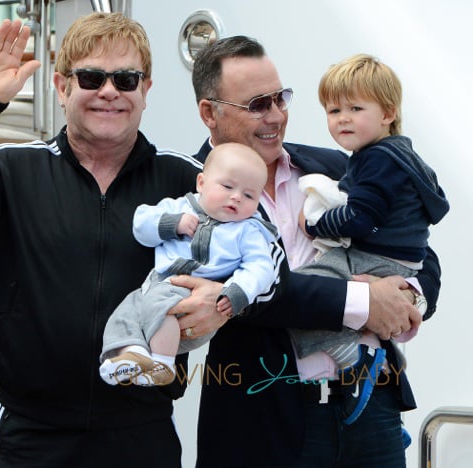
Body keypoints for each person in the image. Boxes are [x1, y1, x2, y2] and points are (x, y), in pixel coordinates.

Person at [0, 13, 223, 468]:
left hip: (142, 431)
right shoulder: (13, 170)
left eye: (126, 78)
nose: (109, 91)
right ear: (62, 88)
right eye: (92, 77)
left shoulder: (184, 179)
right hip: (33, 434)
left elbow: (261, 249)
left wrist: (221, 299)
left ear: (146, 90)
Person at [185, 35, 442, 467]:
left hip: (374, 407)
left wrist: (409, 296)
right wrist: (364, 301)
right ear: (210, 113)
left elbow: (417, 245)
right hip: (268, 424)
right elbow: (250, 293)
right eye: (257, 104)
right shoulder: (189, 192)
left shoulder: (342, 164)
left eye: (280, 98)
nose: (276, 116)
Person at [288, 53, 449, 425]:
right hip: (393, 258)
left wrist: (314, 224)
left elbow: (360, 218)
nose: (342, 118)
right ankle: (381, 352)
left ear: (388, 113)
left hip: (376, 259)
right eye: (333, 110)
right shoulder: (395, 155)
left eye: (355, 108)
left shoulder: (376, 160)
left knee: (311, 284)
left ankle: (347, 355)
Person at [99, 142, 277, 387]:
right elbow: (141, 224)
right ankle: (131, 355)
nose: (236, 197)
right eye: (227, 186)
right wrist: (173, 224)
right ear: (201, 183)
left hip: (196, 297)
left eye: (249, 195)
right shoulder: (179, 207)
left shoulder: (248, 230)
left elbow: (261, 267)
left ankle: (161, 363)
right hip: (157, 287)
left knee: (162, 310)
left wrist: (237, 291)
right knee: (125, 314)